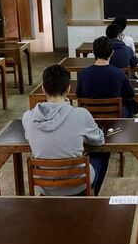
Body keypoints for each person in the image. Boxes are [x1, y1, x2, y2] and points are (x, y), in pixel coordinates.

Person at [22, 65, 110, 195]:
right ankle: (92, 197)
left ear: (43, 89)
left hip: (46, 186)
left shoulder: (28, 117)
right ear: (68, 89)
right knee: (103, 153)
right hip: (78, 185)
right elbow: (99, 140)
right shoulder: (81, 114)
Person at [77, 36, 138, 118]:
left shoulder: (83, 74)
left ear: (93, 52)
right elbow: (130, 94)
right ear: (112, 53)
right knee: (129, 104)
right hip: (115, 116)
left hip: (91, 116)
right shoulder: (119, 73)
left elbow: (79, 95)